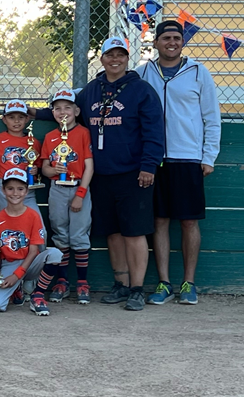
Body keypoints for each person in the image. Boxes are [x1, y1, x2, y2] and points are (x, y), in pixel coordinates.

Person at [28, 36, 164, 311]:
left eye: (120, 55)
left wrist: (148, 166)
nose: (115, 60)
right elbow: (66, 109)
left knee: (134, 232)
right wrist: (34, 112)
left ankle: (137, 289)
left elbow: (154, 131)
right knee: (111, 232)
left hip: (133, 173)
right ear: (101, 59)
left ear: (127, 58)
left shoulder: (142, 90)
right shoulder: (91, 90)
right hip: (100, 175)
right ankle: (121, 285)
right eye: (110, 55)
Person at [136, 20, 221, 306]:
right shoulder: (143, 72)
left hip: (188, 158)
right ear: (156, 42)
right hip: (153, 159)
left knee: (188, 221)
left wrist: (208, 156)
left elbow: (212, 117)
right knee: (159, 220)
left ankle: (189, 283)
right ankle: (164, 282)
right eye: (166, 38)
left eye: (177, 38)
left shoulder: (198, 72)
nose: (171, 42)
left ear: (182, 42)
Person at [39, 90, 94, 304]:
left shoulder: (83, 133)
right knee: (60, 233)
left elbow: (89, 166)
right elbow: (44, 167)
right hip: (57, 188)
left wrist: (81, 193)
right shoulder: (51, 136)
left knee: (79, 235)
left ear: (77, 111)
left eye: (68, 107)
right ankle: (62, 281)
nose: (63, 112)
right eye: (58, 108)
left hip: (78, 187)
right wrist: (52, 171)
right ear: (52, 112)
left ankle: (82, 282)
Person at [0, 168, 62, 315]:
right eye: (10, 189)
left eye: (20, 189)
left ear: (26, 191)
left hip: (31, 262)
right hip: (10, 264)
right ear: (3, 190)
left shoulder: (33, 216)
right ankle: (17, 289)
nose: (15, 193)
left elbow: (33, 251)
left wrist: (17, 275)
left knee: (55, 254)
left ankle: (37, 295)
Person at [0, 99, 41, 214]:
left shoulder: (33, 142)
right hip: (4, 188)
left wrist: (37, 171)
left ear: (27, 119)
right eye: (11, 117)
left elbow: (40, 168)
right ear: (4, 119)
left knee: (38, 226)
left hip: (27, 188)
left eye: (20, 117)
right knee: (8, 223)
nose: (16, 121)